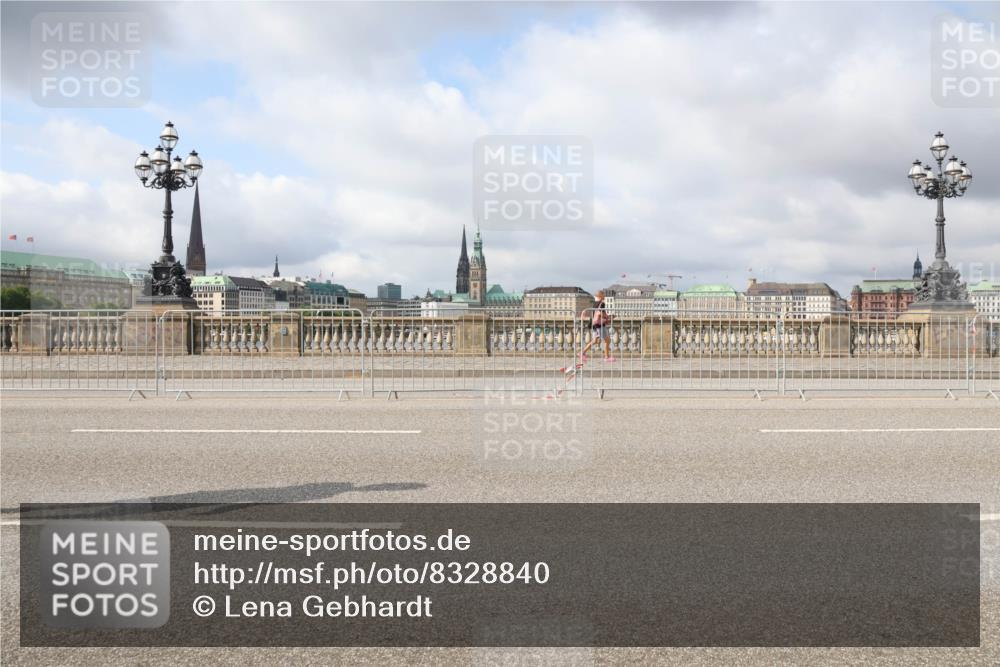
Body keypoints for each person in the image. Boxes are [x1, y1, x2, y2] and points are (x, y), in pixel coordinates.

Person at [581, 290, 615, 362]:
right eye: (603, 294)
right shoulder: (602, 303)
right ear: (600, 296)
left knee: (595, 341)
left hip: (594, 324)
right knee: (607, 340)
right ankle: (606, 357)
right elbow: (602, 314)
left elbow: (594, 314)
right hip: (600, 325)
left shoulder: (594, 303)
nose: (604, 296)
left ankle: (582, 353)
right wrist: (610, 317)